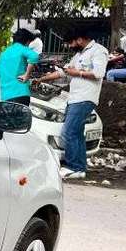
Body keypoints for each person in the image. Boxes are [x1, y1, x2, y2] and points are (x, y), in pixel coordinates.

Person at [43, 28, 108, 180]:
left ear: (79, 39)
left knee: (69, 132)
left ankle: (74, 167)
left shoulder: (98, 51)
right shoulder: (79, 54)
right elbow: (64, 73)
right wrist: (42, 79)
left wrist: (77, 73)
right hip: (74, 98)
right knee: (77, 134)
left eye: (71, 43)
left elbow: (99, 74)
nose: (70, 46)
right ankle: (80, 168)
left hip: (85, 98)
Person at [0, 28, 40, 105]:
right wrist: (27, 75)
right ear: (27, 41)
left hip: (6, 97)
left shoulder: (4, 54)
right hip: (22, 94)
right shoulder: (23, 49)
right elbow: (34, 56)